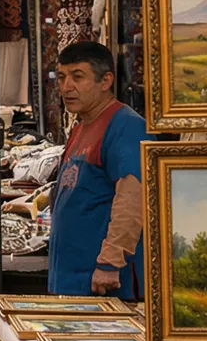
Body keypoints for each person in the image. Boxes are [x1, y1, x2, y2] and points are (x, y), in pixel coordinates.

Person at [50, 41, 149, 298]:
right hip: (72, 273)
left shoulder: (126, 126)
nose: (66, 87)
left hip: (104, 279)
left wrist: (111, 261)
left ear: (105, 81)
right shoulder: (81, 125)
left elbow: (133, 197)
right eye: (61, 77)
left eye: (77, 77)